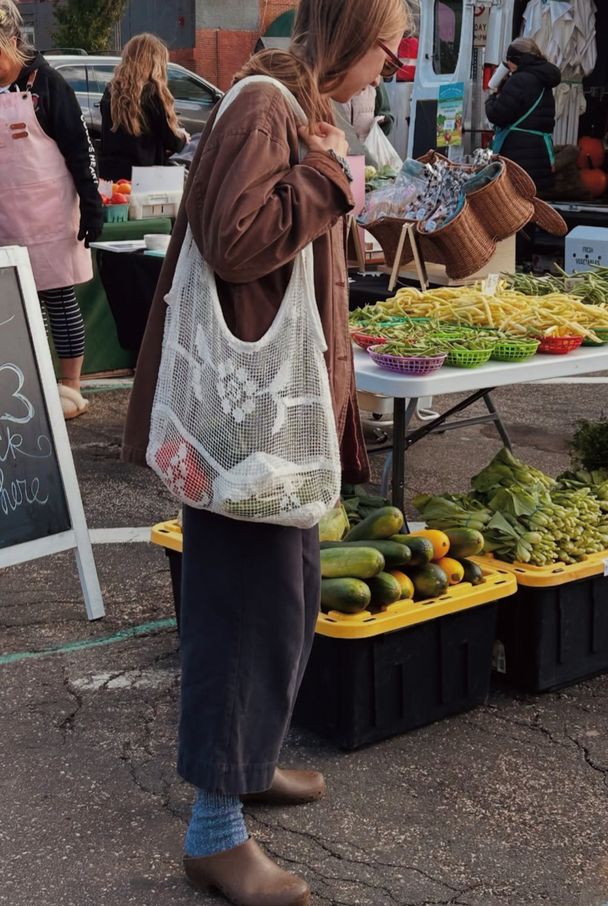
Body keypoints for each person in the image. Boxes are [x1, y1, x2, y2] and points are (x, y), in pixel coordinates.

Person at [122, 1, 409, 903]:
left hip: (273, 423)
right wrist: (326, 175)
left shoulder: (297, 111)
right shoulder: (261, 106)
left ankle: (247, 765)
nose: (388, 73)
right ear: (351, 40)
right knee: (242, 618)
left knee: (281, 606)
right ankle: (214, 829)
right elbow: (236, 240)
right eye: (388, 56)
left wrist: (340, 196)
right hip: (243, 426)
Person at [0, 0, 103, 419]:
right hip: (7, 215)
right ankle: (31, 382)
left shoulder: (48, 84)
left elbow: (82, 150)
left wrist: (91, 202)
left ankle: (70, 388)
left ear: (10, 41)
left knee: (58, 300)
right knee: (18, 307)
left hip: (51, 215)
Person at [99, 33, 189, 181]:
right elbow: (171, 141)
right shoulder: (152, 92)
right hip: (145, 178)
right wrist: (183, 138)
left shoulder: (111, 91)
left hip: (111, 176)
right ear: (154, 63)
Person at [485, 37, 560, 192]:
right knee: (535, 204)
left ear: (517, 60)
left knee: (516, 207)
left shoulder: (519, 80)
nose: (508, 65)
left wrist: (491, 97)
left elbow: (498, 115)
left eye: (508, 61)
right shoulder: (543, 79)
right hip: (541, 154)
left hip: (519, 157)